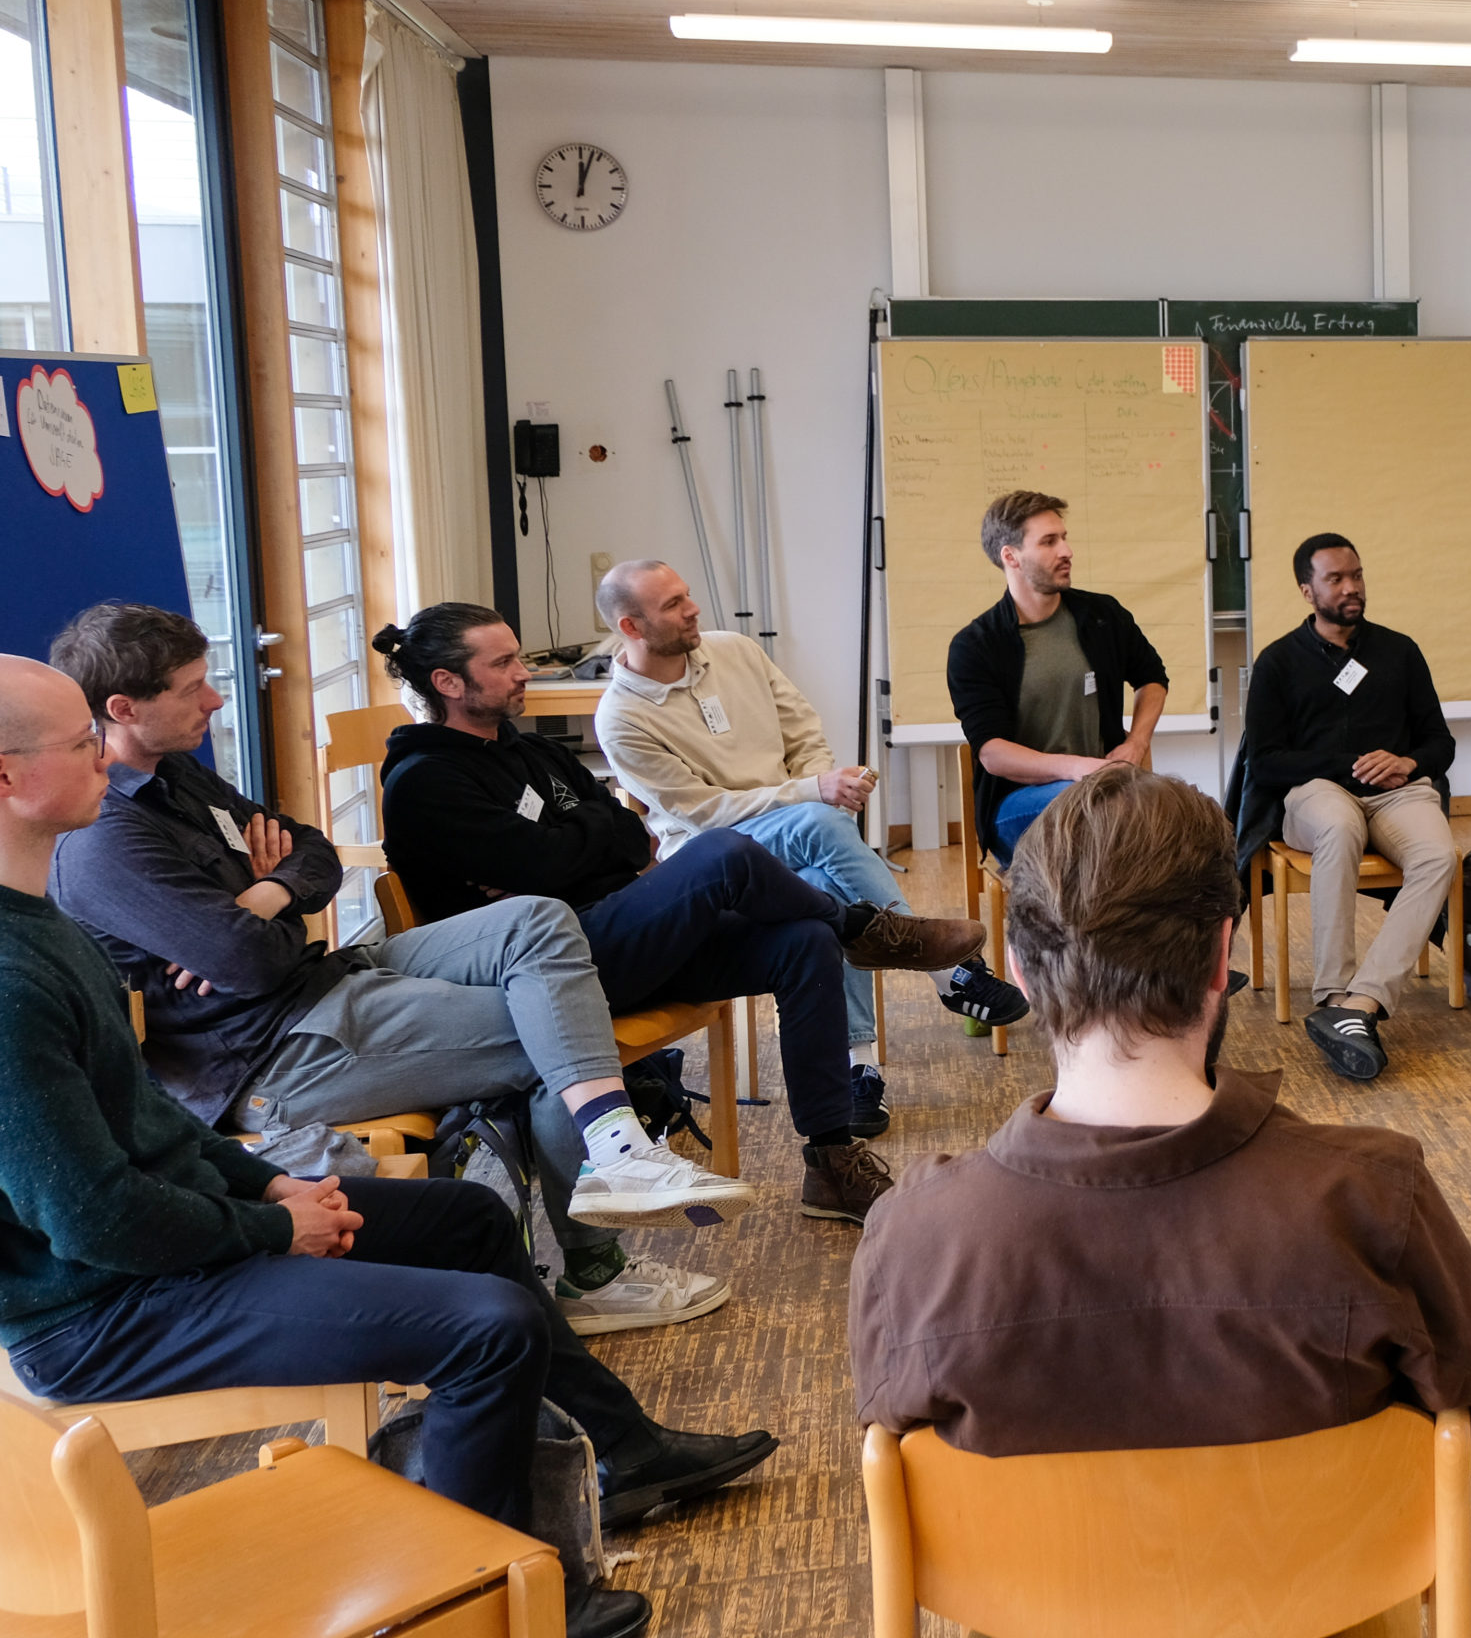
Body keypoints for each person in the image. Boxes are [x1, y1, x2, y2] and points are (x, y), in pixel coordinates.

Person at [0, 655, 785, 1638]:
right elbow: (99, 1221)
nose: (101, 759)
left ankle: (619, 1457)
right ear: (8, 778)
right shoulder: (16, 972)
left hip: (170, 1241)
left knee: (469, 1221)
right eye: (78, 744)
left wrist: (269, 1181)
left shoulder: (43, 922)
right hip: (106, 1314)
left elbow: (150, 1123)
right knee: (487, 1328)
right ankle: (464, 1611)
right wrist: (277, 1225)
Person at [852, 767, 1471, 1638]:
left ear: (1017, 966)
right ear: (1222, 955)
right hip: (1314, 1626)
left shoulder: (917, 1234)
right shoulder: (1374, 1198)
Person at [45, 604, 744, 1338]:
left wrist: (268, 891)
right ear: (122, 708)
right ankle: (597, 1269)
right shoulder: (102, 841)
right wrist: (249, 926)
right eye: (193, 688)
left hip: (325, 980)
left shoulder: (178, 776)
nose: (216, 699)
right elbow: (246, 962)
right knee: (562, 1033)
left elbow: (315, 851)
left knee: (537, 917)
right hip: (273, 1053)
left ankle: (616, 1148)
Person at [373, 604, 977, 1224]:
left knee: (804, 942)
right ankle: (862, 926)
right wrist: (589, 834)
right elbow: (553, 864)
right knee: (723, 853)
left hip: (618, 933)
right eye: (503, 663)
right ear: (448, 683)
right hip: (553, 977)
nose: (524, 672)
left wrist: (579, 840)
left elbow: (633, 838)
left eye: (519, 656)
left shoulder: (530, 752)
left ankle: (831, 1163)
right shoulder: (425, 782)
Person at [592, 560, 1031, 1091]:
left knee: (822, 888)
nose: (693, 610)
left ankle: (858, 1065)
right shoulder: (620, 718)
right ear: (631, 628)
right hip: (712, 859)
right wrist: (812, 795)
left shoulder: (734, 650)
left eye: (687, 595)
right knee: (817, 827)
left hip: (800, 830)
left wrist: (820, 797)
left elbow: (803, 733)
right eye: (673, 605)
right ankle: (943, 969)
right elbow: (703, 812)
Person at [1229, 534, 1457, 1081]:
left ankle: (1362, 1005)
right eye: (1336, 579)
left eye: (1356, 575)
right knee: (1338, 824)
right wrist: (1347, 763)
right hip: (1316, 792)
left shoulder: (1399, 650)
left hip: (1396, 791)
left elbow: (1440, 744)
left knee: (1439, 854)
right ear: (1308, 591)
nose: (1351, 587)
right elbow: (1265, 762)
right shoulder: (1278, 662)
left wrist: (1404, 761)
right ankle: (1332, 993)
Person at [948, 490, 1170, 862]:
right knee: (1103, 813)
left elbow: (1152, 678)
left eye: (1063, 538)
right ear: (1010, 556)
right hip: (1017, 805)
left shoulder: (1102, 615)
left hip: (1105, 790)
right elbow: (993, 753)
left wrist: (1136, 743)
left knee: (1167, 810)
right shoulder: (976, 645)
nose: (1066, 551)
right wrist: (1077, 770)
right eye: (1049, 541)